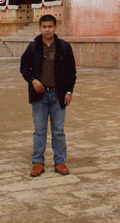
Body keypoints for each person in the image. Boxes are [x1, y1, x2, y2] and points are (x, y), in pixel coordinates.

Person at [20, 14, 76, 177]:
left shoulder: (64, 47)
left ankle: (60, 162)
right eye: (44, 27)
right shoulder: (33, 47)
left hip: (58, 95)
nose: (47, 30)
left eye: (50, 27)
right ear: (40, 28)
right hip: (40, 96)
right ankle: (38, 162)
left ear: (55, 28)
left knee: (58, 131)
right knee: (39, 130)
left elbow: (71, 72)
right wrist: (33, 80)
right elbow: (24, 67)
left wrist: (69, 91)